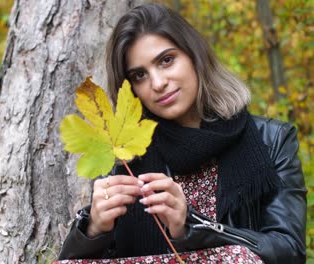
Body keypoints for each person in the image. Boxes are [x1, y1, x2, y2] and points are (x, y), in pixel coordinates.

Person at [57, 3, 306, 264]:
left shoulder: (272, 139)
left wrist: (191, 227)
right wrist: (94, 229)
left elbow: (289, 251)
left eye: (166, 60)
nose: (158, 83)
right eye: (140, 75)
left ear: (194, 55)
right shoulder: (126, 153)